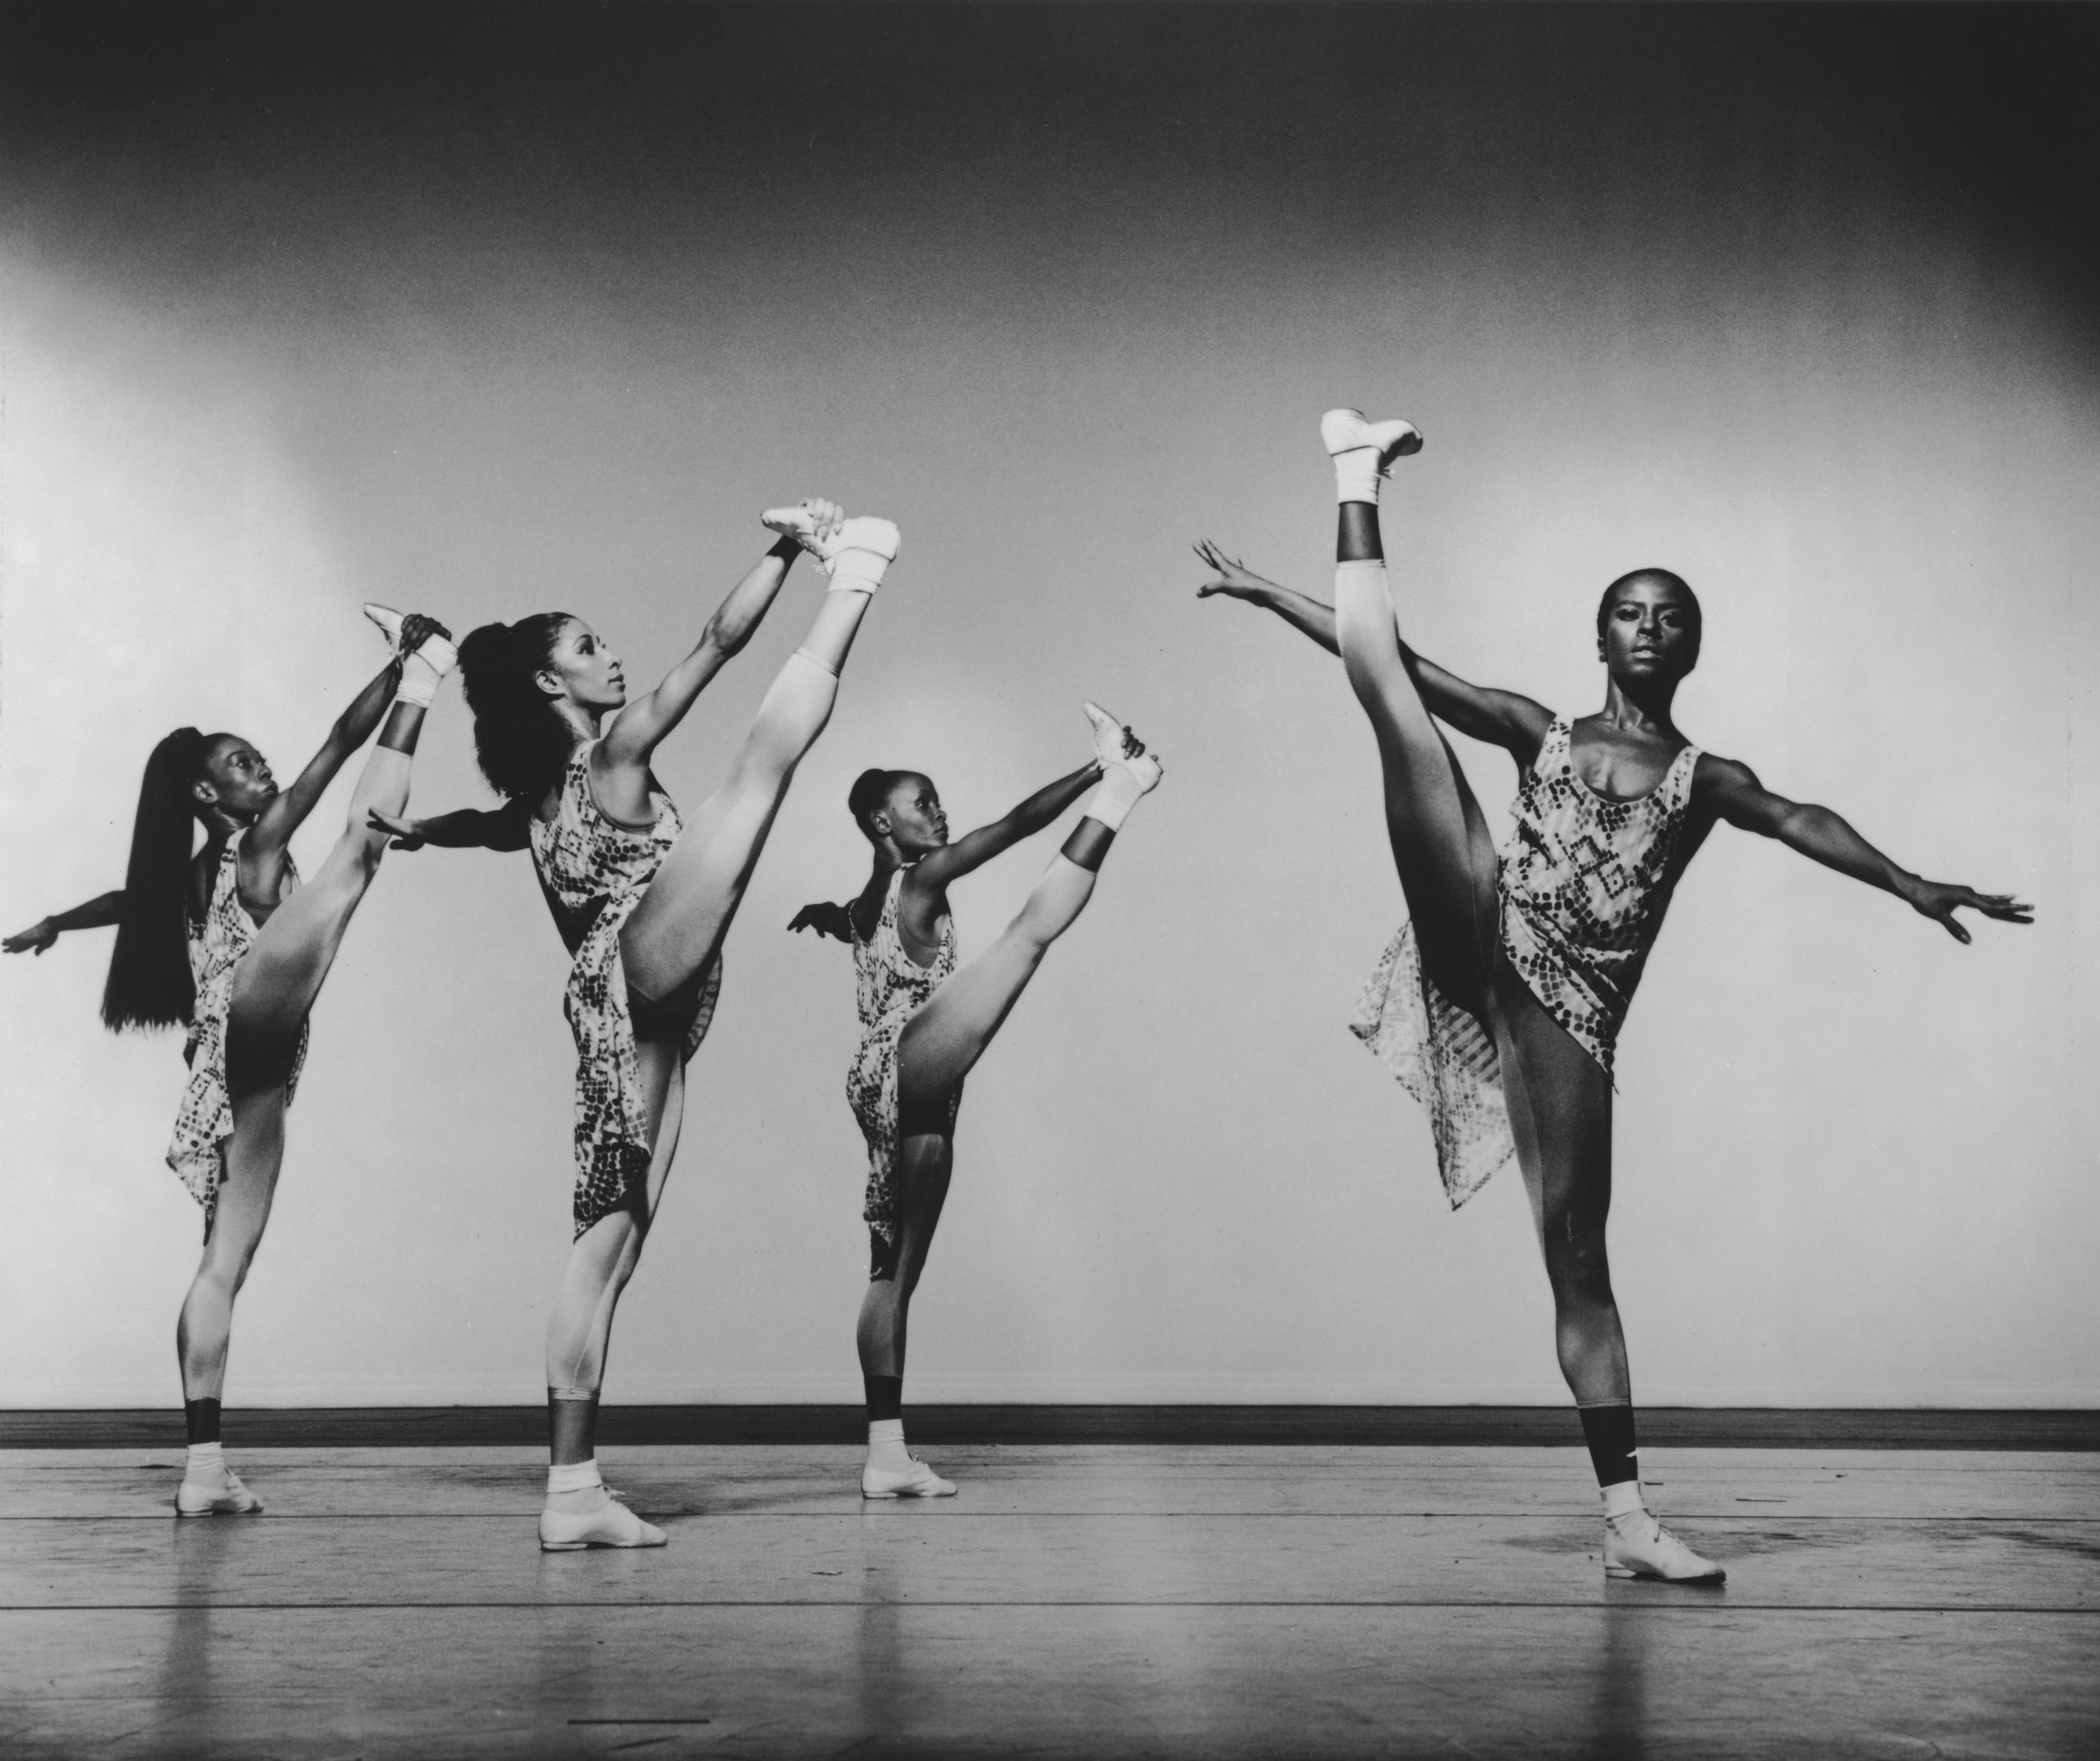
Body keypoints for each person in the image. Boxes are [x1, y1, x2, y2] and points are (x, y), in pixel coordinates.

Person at [1195, 409, 2031, 1582]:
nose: (1650, 627)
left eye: (1670, 615)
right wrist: (1272, 596)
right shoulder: (1542, 730)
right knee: (1393, 702)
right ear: (1602, 636)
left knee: (1578, 1255)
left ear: (1692, 647)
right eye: (1631, 611)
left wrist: (1907, 880)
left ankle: (1626, 1518)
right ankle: (1355, 468)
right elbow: (1404, 664)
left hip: (1569, 1014)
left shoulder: (1704, 780)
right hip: (1480, 922)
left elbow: (1801, 819)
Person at [368, 502, 890, 1549]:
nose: (613, 658)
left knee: (609, 1245)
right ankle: (860, 578)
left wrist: (426, 829)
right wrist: (792, 551)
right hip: (635, 969)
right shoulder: (611, 757)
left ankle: (573, 1495)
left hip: (635, 1020)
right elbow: (717, 644)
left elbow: (490, 828)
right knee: (757, 780)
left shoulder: (535, 798)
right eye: (589, 648)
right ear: (551, 684)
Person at [5, 607, 457, 1516]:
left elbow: (126, 901)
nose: (264, 770)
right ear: (212, 800)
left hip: (231, 1074)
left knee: (222, 1265)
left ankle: (204, 1471)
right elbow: (336, 744)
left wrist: (56, 922)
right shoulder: (256, 848)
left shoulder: (192, 874)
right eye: (243, 766)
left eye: (258, 757)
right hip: (254, 1028)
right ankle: (429, 677)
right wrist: (408, 663)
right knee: (361, 851)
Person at [789, 705, 1160, 1496]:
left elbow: (851, 920)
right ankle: (1122, 794)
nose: (939, 813)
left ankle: (886, 1457)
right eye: (921, 803)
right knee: (1026, 940)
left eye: (937, 800)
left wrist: (825, 916)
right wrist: (1099, 767)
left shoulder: (870, 900)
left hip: (903, 1087)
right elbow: (1018, 824)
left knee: (895, 1274)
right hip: (903, 1062)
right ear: (879, 821)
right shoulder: (921, 877)